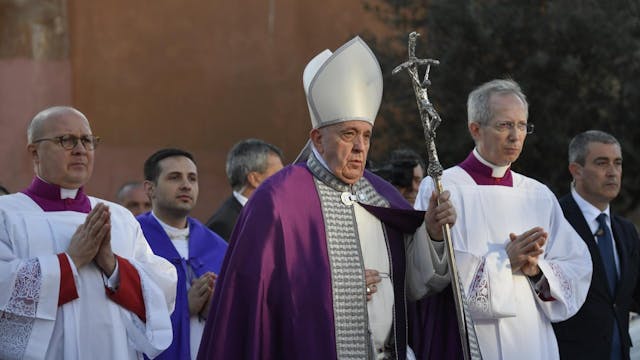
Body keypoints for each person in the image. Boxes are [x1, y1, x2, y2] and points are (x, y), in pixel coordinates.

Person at [197, 36, 454, 360]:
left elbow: (416, 286)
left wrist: (430, 232)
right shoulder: (278, 200)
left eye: (366, 135)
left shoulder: (382, 197)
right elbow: (254, 299)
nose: (361, 147)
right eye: (349, 134)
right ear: (317, 138)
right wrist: (333, 290)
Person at [415, 79, 592, 360]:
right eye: (504, 125)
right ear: (475, 129)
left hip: (533, 341)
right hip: (470, 343)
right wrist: (504, 262)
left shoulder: (538, 195)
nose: (516, 136)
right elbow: (426, 276)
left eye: (522, 126)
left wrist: (537, 271)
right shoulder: (441, 189)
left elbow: (576, 266)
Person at [0, 106, 177, 359]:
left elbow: (162, 289)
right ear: (35, 152)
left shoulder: (120, 218)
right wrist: (70, 262)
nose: (81, 149)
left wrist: (113, 266)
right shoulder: (6, 214)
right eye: (67, 140)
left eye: (87, 140)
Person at [552, 130, 640, 360]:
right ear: (576, 170)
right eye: (602, 163)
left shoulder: (626, 231)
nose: (612, 172)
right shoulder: (555, 220)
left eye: (617, 163)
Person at [137, 148, 227, 359]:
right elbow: (124, 316)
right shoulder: (134, 239)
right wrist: (185, 308)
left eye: (192, 178)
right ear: (150, 189)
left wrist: (216, 310)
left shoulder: (217, 247)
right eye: (174, 177)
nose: (186, 185)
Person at [205, 139, 283, 241]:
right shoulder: (223, 226)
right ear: (254, 179)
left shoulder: (269, 213)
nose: (284, 181)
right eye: (279, 175)